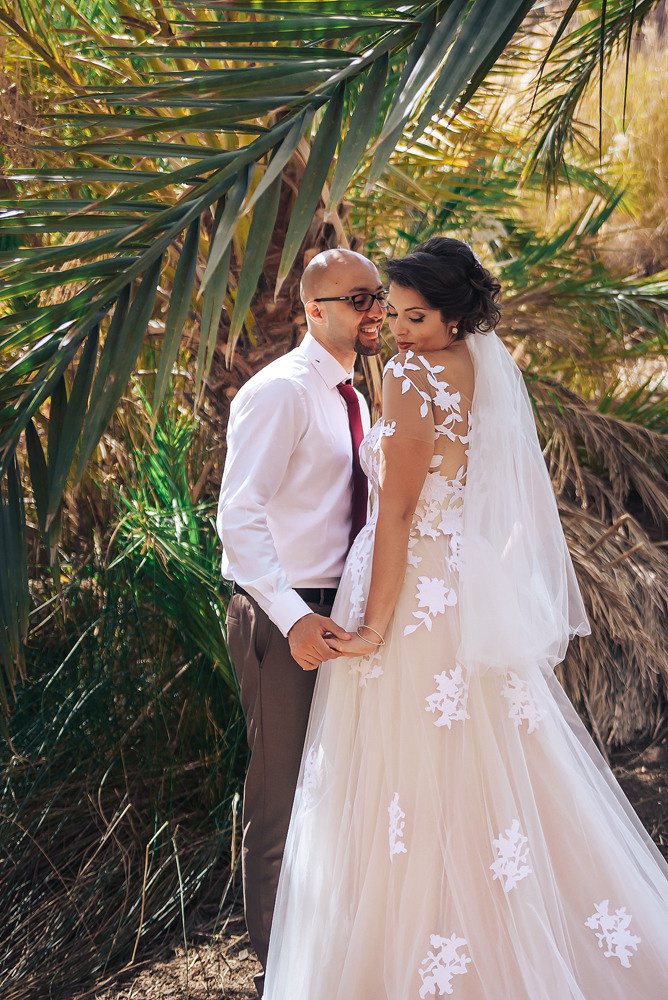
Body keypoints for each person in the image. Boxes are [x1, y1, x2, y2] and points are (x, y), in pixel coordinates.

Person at [262, 237, 668, 999]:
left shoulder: (409, 376)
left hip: (410, 590)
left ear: (456, 316)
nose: (399, 330)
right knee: (488, 765)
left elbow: (398, 513)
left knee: (405, 772)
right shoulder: (482, 366)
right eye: (392, 312)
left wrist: (374, 625)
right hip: (463, 582)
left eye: (416, 317)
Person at [217, 247, 386, 996]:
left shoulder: (355, 396)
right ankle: (277, 973)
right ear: (313, 310)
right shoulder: (281, 392)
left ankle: (325, 961)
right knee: (281, 797)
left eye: (378, 295)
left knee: (338, 787)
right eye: (357, 299)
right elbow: (238, 519)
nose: (375, 310)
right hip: (283, 613)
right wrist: (292, 620)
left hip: (339, 611)